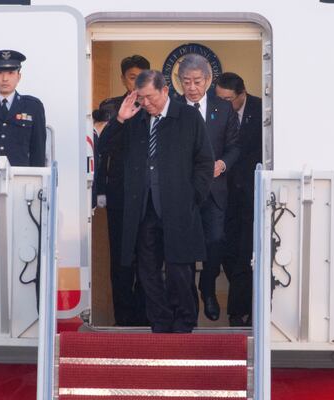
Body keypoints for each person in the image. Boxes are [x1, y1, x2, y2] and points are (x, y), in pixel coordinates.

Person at [98, 70, 214, 333]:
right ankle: (160, 323)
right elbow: (104, 147)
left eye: (149, 97)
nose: (145, 103)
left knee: (179, 271)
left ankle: (184, 323)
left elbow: (204, 162)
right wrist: (119, 119)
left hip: (178, 208)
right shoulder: (135, 120)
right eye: (141, 99)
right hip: (144, 208)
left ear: (164, 91)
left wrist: (193, 197)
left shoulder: (187, 116)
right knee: (147, 271)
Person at [176, 54, 240, 322]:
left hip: (214, 191)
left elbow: (236, 146)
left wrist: (223, 164)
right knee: (185, 248)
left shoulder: (223, 109)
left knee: (215, 242)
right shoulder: (172, 108)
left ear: (208, 80)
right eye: (186, 82)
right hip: (182, 192)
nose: (191, 87)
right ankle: (189, 299)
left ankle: (208, 288)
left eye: (197, 81)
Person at [96, 55, 150, 326]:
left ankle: (145, 317)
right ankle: (123, 320)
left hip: (150, 197)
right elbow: (102, 147)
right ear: (123, 79)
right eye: (132, 77)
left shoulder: (157, 106)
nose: (137, 82)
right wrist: (100, 190)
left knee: (148, 258)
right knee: (120, 259)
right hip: (119, 194)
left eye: (142, 76)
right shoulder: (110, 107)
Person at [215, 72, 263, 327]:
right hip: (223, 192)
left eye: (228, 100)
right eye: (219, 99)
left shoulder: (261, 109)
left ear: (242, 94)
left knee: (246, 251)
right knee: (225, 249)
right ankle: (241, 301)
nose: (223, 105)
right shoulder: (213, 112)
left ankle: (239, 311)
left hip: (252, 193)